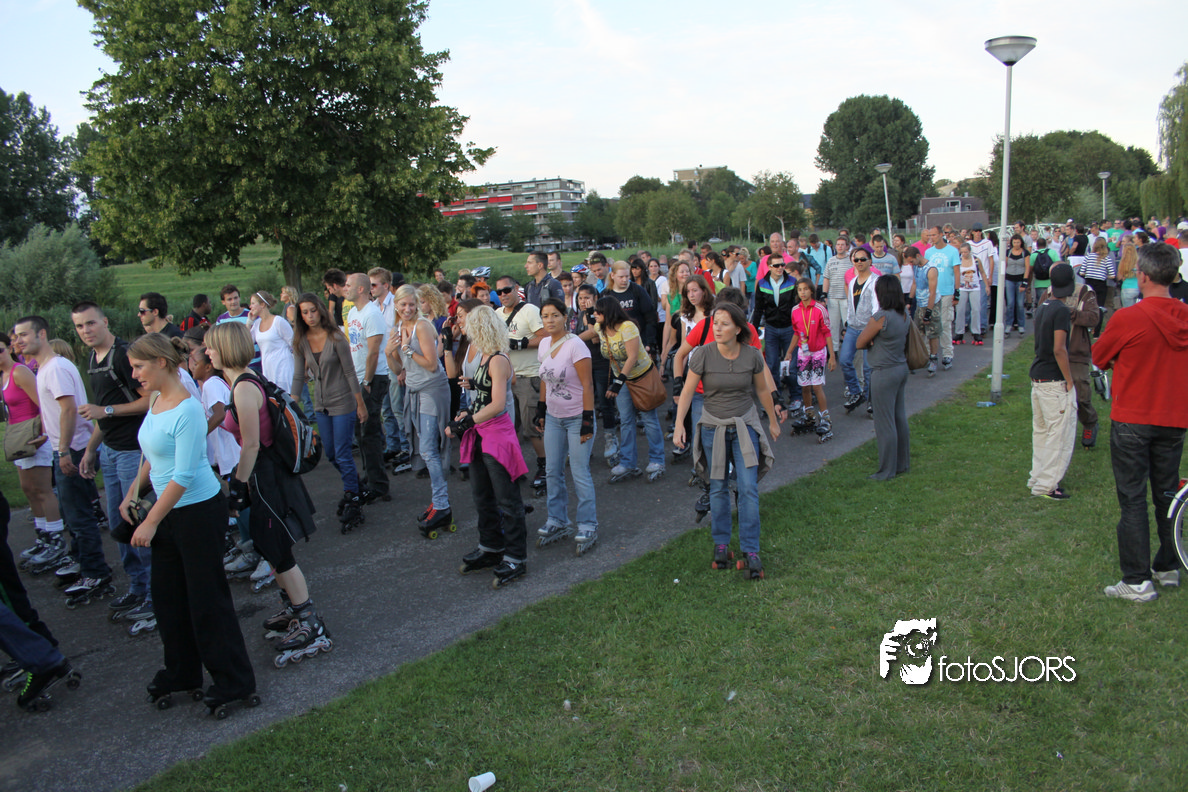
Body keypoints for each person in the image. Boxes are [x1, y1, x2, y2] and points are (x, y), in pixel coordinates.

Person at [115, 333, 256, 708]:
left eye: (139, 367)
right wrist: (132, 493)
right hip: (167, 512)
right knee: (168, 600)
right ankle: (182, 672)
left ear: (161, 362)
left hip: (197, 513)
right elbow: (153, 457)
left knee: (207, 601)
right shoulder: (157, 400)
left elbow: (184, 474)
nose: (134, 375)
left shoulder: (188, 409)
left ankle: (235, 680)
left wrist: (150, 521)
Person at [206, 322, 328, 665]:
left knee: (277, 549)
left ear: (226, 348)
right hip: (265, 474)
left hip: (266, 476)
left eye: (212, 347)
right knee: (268, 545)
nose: (207, 353)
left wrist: (238, 486)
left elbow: (251, 444)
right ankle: (292, 607)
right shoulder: (244, 380)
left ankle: (309, 620)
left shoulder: (244, 388)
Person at [1092, 243, 1188, 601]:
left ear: (1142, 276)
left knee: (1133, 498)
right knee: (1167, 494)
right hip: (1173, 417)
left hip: (1133, 417)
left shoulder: (1128, 318)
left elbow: (1100, 356)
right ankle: (1167, 565)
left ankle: (1136, 580)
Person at [673, 302, 780, 579]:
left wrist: (772, 420)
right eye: (715, 323)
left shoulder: (752, 355)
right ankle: (721, 545)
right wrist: (679, 425)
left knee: (748, 488)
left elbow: (762, 390)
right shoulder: (703, 354)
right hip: (713, 428)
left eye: (724, 324)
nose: (717, 328)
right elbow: (687, 391)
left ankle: (751, 549)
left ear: (738, 329)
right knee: (718, 488)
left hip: (744, 427)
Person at [13, 316, 113, 605]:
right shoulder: (46, 367)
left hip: (74, 450)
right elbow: (57, 412)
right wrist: (48, 435)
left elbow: (69, 410)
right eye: (16, 336)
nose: (18, 341)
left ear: (42, 334)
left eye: (23, 335)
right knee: (72, 514)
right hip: (66, 447)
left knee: (79, 516)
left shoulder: (55, 367)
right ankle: (81, 561)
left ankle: (96, 573)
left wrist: (64, 450)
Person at [71, 302, 155, 623]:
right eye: (79, 326)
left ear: (105, 322)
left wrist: (104, 412)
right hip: (109, 450)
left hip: (133, 450)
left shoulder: (123, 355)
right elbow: (102, 411)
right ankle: (137, 586)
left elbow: (149, 400)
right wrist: (91, 449)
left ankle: (154, 594)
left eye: (91, 323)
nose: (86, 331)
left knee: (136, 519)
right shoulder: (93, 360)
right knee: (119, 525)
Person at [448, 305, 530, 588]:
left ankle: (516, 557)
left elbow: (497, 404)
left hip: (495, 433)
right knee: (482, 494)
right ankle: (491, 546)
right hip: (481, 431)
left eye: (469, 325)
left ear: (479, 328)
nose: (464, 330)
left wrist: (466, 421)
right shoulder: (485, 355)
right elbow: (491, 390)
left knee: (507, 498)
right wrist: (473, 390)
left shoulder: (497, 358)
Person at [291, 293, 366, 531]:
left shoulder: (336, 337)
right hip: (321, 404)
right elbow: (298, 376)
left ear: (321, 310)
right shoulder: (301, 340)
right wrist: (292, 406)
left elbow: (350, 372)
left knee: (343, 453)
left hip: (343, 401)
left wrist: (360, 403)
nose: (310, 316)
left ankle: (352, 496)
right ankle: (356, 485)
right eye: (305, 312)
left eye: (313, 310)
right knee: (331, 453)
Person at [534, 297, 598, 555]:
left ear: (565, 317)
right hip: (553, 417)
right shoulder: (544, 344)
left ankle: (588, 524)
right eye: (545, 316)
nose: (549, 320)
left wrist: (587, 420)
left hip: (576, 418)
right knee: (552, 471)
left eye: (554, 315)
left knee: (579, 472)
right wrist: (541, 408)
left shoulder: (576, 346)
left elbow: (588, 385)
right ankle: (557, 519)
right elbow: (545, 378)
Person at [388, 284, 453, 537]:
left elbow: (431, 364)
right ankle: (438, 502)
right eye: (403, 304)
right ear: (396, 305)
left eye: (411, 304)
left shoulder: (422, 326)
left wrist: (406, 349)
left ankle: (442, 505)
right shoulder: (397, 328)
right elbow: (399, 371)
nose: (407, 309)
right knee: (424, 448)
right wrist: (389, 353)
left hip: (431, 389)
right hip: (413, 390)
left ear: (417, 304)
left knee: (428, 449)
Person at [0, 333, 62, 575]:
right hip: (19, 438)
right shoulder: (3, 376)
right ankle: (43, 536)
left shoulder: (20, 372)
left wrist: (45, 433)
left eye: (0, 350)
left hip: (35, 435)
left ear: (9, 349)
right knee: (28, 489)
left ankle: (56, 541)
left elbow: (42, 403)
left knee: (42, 489)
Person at [596, 297, 666, 484]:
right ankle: (628, 462)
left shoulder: (627, 327)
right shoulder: (600, 328)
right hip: (622, 380)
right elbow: (587, 334)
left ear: (608, 312)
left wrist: (618, 382)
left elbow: (633, 356)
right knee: (626, 420)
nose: (595, 314)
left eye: (598, 311)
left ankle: (657, 460)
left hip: (641, 377)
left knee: (649, 418)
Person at [1026, 263, 1077, 501]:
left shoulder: (1043, 306)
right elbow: (1059, 348)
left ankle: (1037, 477)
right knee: (1058, 434)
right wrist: (1069, 379)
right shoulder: (1062, 311)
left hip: (1038, 377)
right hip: (1053, 380)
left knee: (1041, 432)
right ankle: (1047, 484)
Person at [856, 276, 912, 480]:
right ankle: (902, 464)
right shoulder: (904, 314)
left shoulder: (880, 317)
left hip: (883, 372)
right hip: (900, 368)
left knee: (884, 423)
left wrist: (871, 342)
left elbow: (859, 342)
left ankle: (886, 470)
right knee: (899, 418)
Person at [345, 272, 390, 503]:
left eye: (348, 285)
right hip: (359, 377)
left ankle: (379, 485)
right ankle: (370, 475)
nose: (345, 288)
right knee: (360, 431)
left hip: (373, 378)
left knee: (369, 431)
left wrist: (367, 381)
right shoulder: (353, 312)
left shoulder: (372, 314)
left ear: (360, 289)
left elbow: (373, 352)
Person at [784, 278, 835, 439]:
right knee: (804, 386)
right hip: (803, 352)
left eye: (805, 289)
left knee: (817, 385)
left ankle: (825, 418)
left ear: (811, 290)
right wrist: (789, 352)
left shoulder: (820, 309)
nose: (803, 292)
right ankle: (809, 415)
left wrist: (832, 356)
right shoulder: (795, 310)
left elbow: (827, 332)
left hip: (818, 351)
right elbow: (796, 332)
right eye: (800, 290)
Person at [840, 248, 880, 411]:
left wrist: (873, 332)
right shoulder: (852, 282)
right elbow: (851, 305)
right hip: (853, 327)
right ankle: (856, 392)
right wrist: (847, 324)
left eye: (863, 259)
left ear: (870, 261)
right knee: (844, 360)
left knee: (868, 368)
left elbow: (877, 308)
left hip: (868, 328)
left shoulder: (875, 281)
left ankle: (871, 400)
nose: (859, 262)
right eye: (856, 260)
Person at [248, 291, 294, 392]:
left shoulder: (278, 321)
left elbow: (294, 343)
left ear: (262, 304)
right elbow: (247, 342)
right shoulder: (256, 324)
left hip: (283, 367)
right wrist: (249, 322)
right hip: (268, 368)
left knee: (286, 397)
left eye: (253, 303)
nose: (250, 306)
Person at [954, 243, 988, 345]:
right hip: (962, 287)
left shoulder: (976, 260)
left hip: (975, 287)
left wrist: (986, 285)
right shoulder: (958, 260)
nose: (964, 254)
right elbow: (955, 274)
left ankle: (976, 332)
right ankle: (959, 332)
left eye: (966, 252)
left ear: (970, 251)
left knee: (976, 309)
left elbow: (982, 272)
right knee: (960, 310)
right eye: (962, 252)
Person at [1003, 234, 1031, 335]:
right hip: (1009, 280)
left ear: (1021, 243)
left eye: (1018, 242)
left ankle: (1021, 325)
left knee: (1020, 304)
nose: (1016, 244)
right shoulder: (1008, 252)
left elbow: (1027, 267)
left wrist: (1024, 282)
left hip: (1020, 280)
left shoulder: (1025, 253)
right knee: (1010, 304)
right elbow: (1004, 265)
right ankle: (1008, 324)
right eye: (1014, 242)